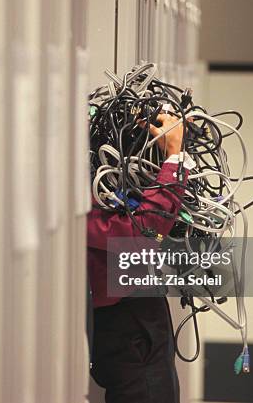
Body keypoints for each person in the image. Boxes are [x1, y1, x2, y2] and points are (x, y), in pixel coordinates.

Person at [88, 113, 195, 403]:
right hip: (125, 321)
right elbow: (139, 236)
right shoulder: (79, 195)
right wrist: (174, 159)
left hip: (137, 309)